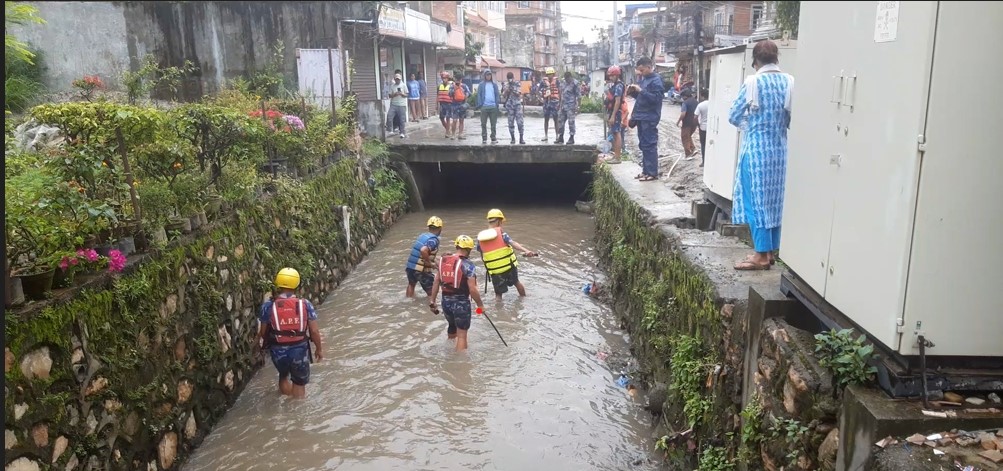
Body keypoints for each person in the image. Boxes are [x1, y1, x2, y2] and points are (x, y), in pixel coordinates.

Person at [728, 40, 794, 270]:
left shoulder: (753, 81)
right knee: (775, 201)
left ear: (755, 61)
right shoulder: (789, 82)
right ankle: (771, 251)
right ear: (777, 59)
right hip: (780, 151)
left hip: (757, 151)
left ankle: (760, 255)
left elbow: (734, 115)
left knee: (756, 201)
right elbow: (790, 118)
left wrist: (753, 125)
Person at [257, 268, 323, 399]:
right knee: (299, 384)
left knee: (283, 376)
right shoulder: (305, 304)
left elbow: (263, 332)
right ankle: (296, 411)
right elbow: (314, 331)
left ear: (278, 283)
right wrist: (319, 349)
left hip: (277, 352)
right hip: (299, 351)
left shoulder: (268, 306)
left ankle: (285, 398)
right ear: (297, 284)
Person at [428, 235, 486, 351]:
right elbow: (473, 289)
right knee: (462, 336)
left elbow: (436, 282)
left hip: (446, 303)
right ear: (469, 249)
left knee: (452, 326)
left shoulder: (444, 261)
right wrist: (480, 305)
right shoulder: (468, 265)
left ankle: (449, 352)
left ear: (456, 246)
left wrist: (432, 301)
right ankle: (460, 363)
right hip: (461, 303)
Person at [475, 209, 538, 298]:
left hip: (495, 269)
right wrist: (526, 250)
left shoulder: (480, 238)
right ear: (499, 221)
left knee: (498, 294)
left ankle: (498, 310)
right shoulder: (502, 234)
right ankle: (523, 300)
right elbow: (514, 244)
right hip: (509, 266)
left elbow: (481, 252)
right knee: (517, 283)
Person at [626, 57, 665, 182]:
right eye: (639, 71)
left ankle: (652, 173)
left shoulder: (656, 81)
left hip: (650, 117)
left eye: (642, 70)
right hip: (641, 117)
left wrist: (641, 90)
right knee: (643, 145)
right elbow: (641, 98)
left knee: (649, 144)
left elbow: (656, 99)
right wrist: (633, 92)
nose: (641, 73)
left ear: (649, 67)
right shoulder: (644, 80)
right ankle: (645, 171)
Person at [406, 216, 443, 297]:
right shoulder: (434, 240)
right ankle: (431, 306)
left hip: (410, 266)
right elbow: (423, 250)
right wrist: (429, 262)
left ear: (429, 227)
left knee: (411, 285)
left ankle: (408, 301)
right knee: (432, 291)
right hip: (421, 269)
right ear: (440, 228)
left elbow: (423, 252)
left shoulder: (422, 236)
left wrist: (437, 261)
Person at [604, 65, 627, 161]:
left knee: (617, 133)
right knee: (613, 133)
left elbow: (617, 101)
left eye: (612, 76)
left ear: (617, 75)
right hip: (612, 111)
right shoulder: (614, 85)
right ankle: (615, 155)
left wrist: (613, 116)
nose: (610, 77)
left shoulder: (619, 86)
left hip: (616, 113)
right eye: (610, 76)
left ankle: (617, 157)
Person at [476, 69, 501, 145]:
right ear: (484, 76)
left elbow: (497, 95)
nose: (488, 76)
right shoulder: (481, 85)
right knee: (483, 123)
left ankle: (493, 137)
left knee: (493, 124)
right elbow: (479, 95)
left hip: (493, 107)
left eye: (490, 75)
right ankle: (484, 137)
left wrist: (497, 104)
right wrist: (480, 104)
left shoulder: (494, 85)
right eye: (487, 75)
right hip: (484, 107)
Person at [556, 71, 580, 145]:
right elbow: (561, 94)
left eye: (568, 78)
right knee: (560, 121)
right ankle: (561, 137)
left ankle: (571, 137)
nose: (567, 80)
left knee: (571, 122)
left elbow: (579, 96)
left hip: (571, 106)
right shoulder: (563, 83)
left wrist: (578, 106)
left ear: (570, 77)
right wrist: (559, 104)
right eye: (566, 79)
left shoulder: (575, 84)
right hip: (563, 106)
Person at [502, 71, 525, 144]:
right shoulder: (506, 85)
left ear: (513, 77)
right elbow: (503, 95)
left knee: (520, 123)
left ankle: (521, 138)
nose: (510, 80)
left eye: (511, 78)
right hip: (510, 106)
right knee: (510, 123)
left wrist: (512, 89)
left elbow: (519, 93)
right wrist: (506, 91)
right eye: (509, 78)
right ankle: (512, 138)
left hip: (517, 105)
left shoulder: (517, 83)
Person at [386, 73, 409, 138]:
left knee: (402, 119)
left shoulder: (404, 85)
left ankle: (402, 132)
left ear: (400, 79)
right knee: (389, 116)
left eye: (398, 79)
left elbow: (407, 95)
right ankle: (390, 130)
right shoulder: (392, 86)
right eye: (396, 79)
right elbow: (389, 95)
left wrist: (402, 94)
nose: (397, 80)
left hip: (402, 105)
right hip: (394, 104)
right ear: (394, 79)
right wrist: (394, 94)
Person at [540, 67, 560, 142]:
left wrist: (560, 102)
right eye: (548, 74)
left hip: (554, 102)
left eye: (551, 74)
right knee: (546, 119)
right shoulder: (543, 82)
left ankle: (557, 136)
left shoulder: (557, 81)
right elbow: (538, 90)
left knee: (556, 119)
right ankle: (546, 135)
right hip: (546, 102)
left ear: (553, 74)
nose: (549, 76)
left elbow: (560, 91)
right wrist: (540, 99)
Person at [677, 90, 698, 157]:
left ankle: (688, 154)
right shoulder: (696, 102)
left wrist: (678, 121)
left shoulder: (685, 103)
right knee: (688, 136)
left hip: (687, 123)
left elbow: (683, 114)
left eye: (682, 96)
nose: (682, 98)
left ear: (685, 96)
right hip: (695, 123)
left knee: (684, 137)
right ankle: (693, 148)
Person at [449, 72, 470, 140]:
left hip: (462, 105)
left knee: (461, 120)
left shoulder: (464, 86)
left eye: (459, 79)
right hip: (454, 105)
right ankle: (453, 134)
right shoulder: (452, 86)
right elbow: (449, 94)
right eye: (457, 80)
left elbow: (469, 93)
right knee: (454, 120)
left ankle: (460, 134)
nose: (458, 81)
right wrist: (455, 89)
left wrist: (466, 96)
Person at [694, 89, 710, 166]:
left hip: (703, 128)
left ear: (702, 95)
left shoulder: (700, 105)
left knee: (703, 145)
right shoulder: (714, 104)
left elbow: (695, 116)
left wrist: (698, 125)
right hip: (712, 128)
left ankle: (704, 162)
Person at [437, 71, 454, 138]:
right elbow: (437, 95)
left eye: (445, 78)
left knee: (448, 118)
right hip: (442, 104)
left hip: (449, 104)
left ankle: (447, 132)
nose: (443, 79)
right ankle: (448, 129)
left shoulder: (451, 86)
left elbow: (453, 95)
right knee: (441, 117)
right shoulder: (439, 86)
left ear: (447, 78)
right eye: (442, 78)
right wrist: (436, 105)